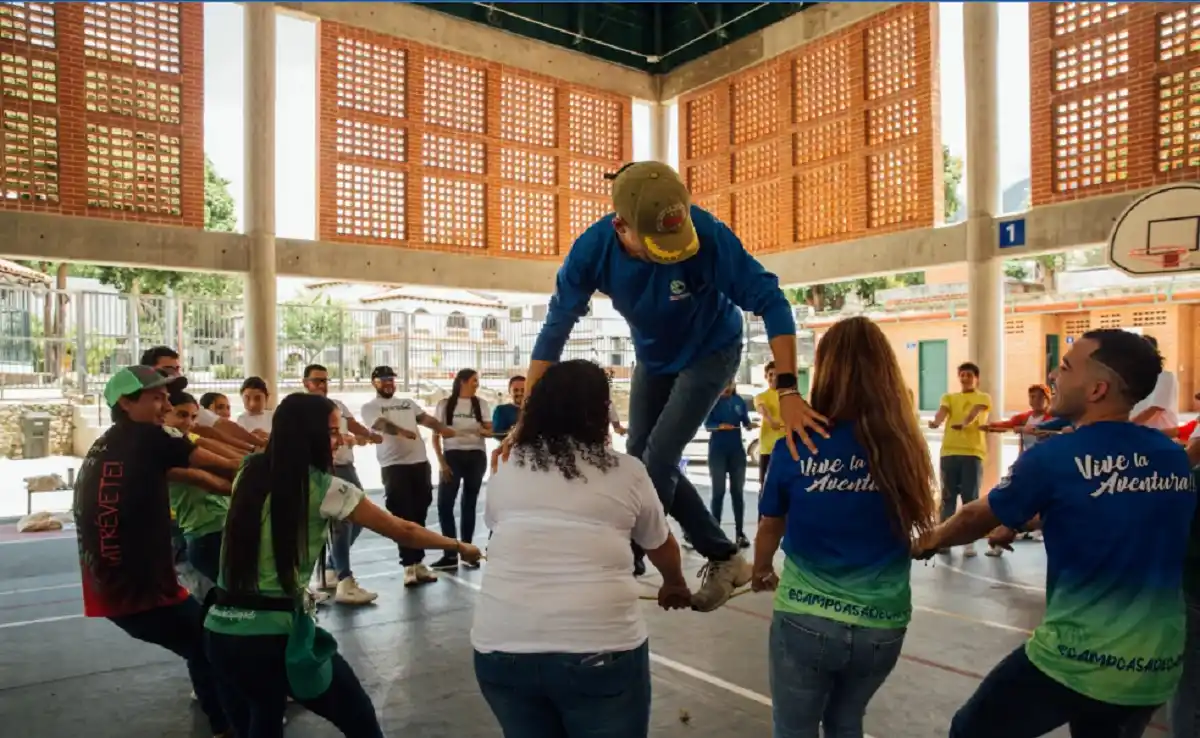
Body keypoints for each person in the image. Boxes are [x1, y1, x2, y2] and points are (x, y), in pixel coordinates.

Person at [510, 161, 826, 612]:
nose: (674, 254)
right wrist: (527, 419)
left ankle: (619, 555)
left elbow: (772, 302)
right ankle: (723, 556)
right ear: (622, 226)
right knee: (642, 458)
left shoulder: (708, 235)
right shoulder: (592, 250)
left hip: (711, 352)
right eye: (660, 246)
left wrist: (790, 391)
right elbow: (554, 330)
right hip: (654, 359)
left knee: (655, 459)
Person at [918, 329, 1195, 738]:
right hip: (1154, 666)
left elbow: (975, 515)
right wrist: (1030, 521)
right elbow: (1115, 507)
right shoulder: (1171, 458)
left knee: (972, 730)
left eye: (1065, 367)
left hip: (1077, 658)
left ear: (1097, 389)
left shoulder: (1056, 457)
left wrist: (928, 540)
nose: (1053, 374)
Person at [204, 392, 482, 738]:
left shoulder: (250, 470)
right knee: (357, 715)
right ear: (309, 435)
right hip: (271, 635)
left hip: (220, 629)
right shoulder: (325, 488)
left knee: (264, 711)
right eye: (333, 432)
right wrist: (458, 546)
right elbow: (403, 530)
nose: (339, 440)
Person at [472, 359, 691, 738]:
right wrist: (674, 584)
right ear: (600, 411)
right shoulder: (626, 471)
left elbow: (498, 528)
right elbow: (661, 545)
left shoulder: (507, 466)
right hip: (598, 649)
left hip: (501, 647)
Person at [751, 317, 937, 738]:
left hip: (806, 619)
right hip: (882, 625)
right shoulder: (904, 448)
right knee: (845, 722)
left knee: (794, 729)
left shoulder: (796, 445)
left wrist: (761, 569)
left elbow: (770, 525)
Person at [74, 365, 240, 738]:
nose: (166, 403)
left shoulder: (110, 443)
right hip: (139, 589)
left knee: (203, 644)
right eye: (156, 396)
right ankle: (232, 722)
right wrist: (271, 466)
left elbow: (197, 475)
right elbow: (219, 464)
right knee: (214, 643)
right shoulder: (151, 437)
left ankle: (224, 723)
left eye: (167, 395)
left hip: (112, 587)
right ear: (125, 402)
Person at [360, 365, 457, 587]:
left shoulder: (407, 403)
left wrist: (442, 428)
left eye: (391, 380)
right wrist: (401, 431)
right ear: (374, 383)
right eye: (383, 380)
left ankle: (419, 562)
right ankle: (408, 565)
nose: (388, 384)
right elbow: (380, 425)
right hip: (394, 466)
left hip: (419, 464)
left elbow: (425, 419)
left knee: (420, 512)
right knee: (402, 515)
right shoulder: (370, 407)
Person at [302, 363, 382, 605]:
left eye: (325, 380)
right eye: (317, 380)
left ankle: (332, 567)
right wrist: (345, 438)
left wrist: (368, 435)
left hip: (347, 467)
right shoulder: (303, 409)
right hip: (326, 470)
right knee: (343, 522)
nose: (322, 385)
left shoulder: (336, 405)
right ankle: (345, 580)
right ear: (306, 383)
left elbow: (353, 425)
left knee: (356, 520)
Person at [164, 391, 243, 584]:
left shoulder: (185, 439)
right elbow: (206, 477)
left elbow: (229, 456)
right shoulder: (166, 444)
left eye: (192, 417)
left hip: (219, 526)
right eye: (181, 415)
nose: (188, 423)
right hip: (204, 533)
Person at [980, 384, 1054, 556]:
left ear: (1047, 399)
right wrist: (989, 426)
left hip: (1045, 465)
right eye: (1032, 397)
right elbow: (1008, 424)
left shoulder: (1053, 417)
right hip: (1025, 464)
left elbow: (1053, 430)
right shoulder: (1026, 417)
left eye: (1039, 397)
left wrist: (1034, 431)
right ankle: (998, 543)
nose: (1035, 401)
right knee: (1010, 498)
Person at [142, 346, 261, 452]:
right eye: (168, 370)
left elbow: (216, 427)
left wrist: (253, 448)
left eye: (178, 369)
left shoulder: (183, 399)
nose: (176, 375)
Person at [927, 362, 991, 557]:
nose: (965, 378)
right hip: (949, 452)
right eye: (962, 375)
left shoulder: (983, 397)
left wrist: (964, 423)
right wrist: (936, 422)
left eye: (969, 375)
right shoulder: (949, 397)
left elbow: (974, 413)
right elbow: (943, 412)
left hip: (972, 452)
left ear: (976, 377)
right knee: (948, 497)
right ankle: (943, 539)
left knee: (970, 497)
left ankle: (969, 542)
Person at [432, 368, 492, 570]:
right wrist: (442, 463)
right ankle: (449, 553)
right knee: (445, 504)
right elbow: (436, 436)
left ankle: (468, 551)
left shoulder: (481, 404)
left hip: (476, 456)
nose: (477, 384)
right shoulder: (445, 404)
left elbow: (489, 431)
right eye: (474, 380)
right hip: (452, 456)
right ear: (462, 382)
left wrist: (479, 431)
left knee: (469, 503)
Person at [705, 381, 756, 549]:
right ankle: (715, 533)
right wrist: (719, 426)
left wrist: (749, 425)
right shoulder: (712, 401)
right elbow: (707, 424)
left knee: (738, 493)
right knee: (718, 492)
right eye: (724, 383)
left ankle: (740, 533)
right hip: (717, 453)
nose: (727, 386)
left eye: (730, 383)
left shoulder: (739, 401)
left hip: (737, 453)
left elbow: (745, 421)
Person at [1131, 334, 1179, 431]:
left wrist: (1129, 427)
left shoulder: (1165, 377)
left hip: (1160, 434)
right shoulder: (1132, 378)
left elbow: (1155, 409)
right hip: (1138, 432)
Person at [755, 361, 784, 487]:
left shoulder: (788, 396)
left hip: (786, 446)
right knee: (765, 485)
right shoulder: (761, 396)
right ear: (766, 376)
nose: (773, 377)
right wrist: (771, 421)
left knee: (784, 484)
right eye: (771, 374)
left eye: (777, 375)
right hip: (767, 447)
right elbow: (762, 409)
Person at [490, 375, 525, 475]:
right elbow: (496, 433)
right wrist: (513, 433)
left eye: (523, 390)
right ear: (510, 391)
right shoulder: (501, 410)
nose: (520, 393)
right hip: (508, 454)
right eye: (516, 390)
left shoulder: (536, 410)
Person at [237, 376, 273, 442]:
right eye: (247, 398)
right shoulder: (241, 419)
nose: (252, 404)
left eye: (258, 398)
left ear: (266, 398)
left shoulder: (273, 416)